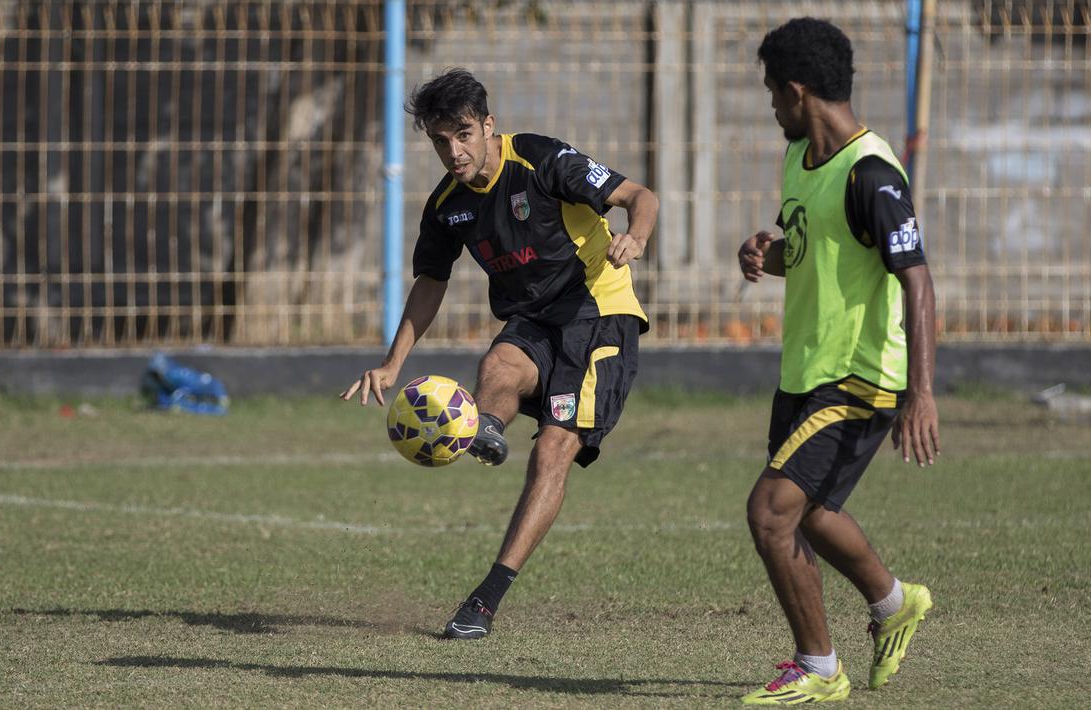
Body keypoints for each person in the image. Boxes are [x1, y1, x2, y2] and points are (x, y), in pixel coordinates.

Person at [340, 68, 657, 640]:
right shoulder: (446, 205)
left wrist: (636, 235)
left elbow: (639, 195)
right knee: (496, 366)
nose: (454, 151)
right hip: (534, 319)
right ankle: (483, 428)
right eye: (440, 140)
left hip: (599, 314)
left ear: (489, 126)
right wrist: (393, 363)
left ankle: (486, 599)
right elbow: (430, 282)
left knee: (553, 454)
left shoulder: (539, 160)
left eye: (463, 134)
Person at [735, 18, 940, 704]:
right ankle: (891, 604)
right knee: (813, 513)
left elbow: (916, 279)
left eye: (771, 94)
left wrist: (921, 393)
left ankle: (818, 669)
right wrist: (770, 256)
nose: (769, 107)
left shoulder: (871, 173)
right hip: (804, 370)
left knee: (770, 513)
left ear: (796, 92)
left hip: (859, 377)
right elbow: (818, 252)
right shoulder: (799, 158)